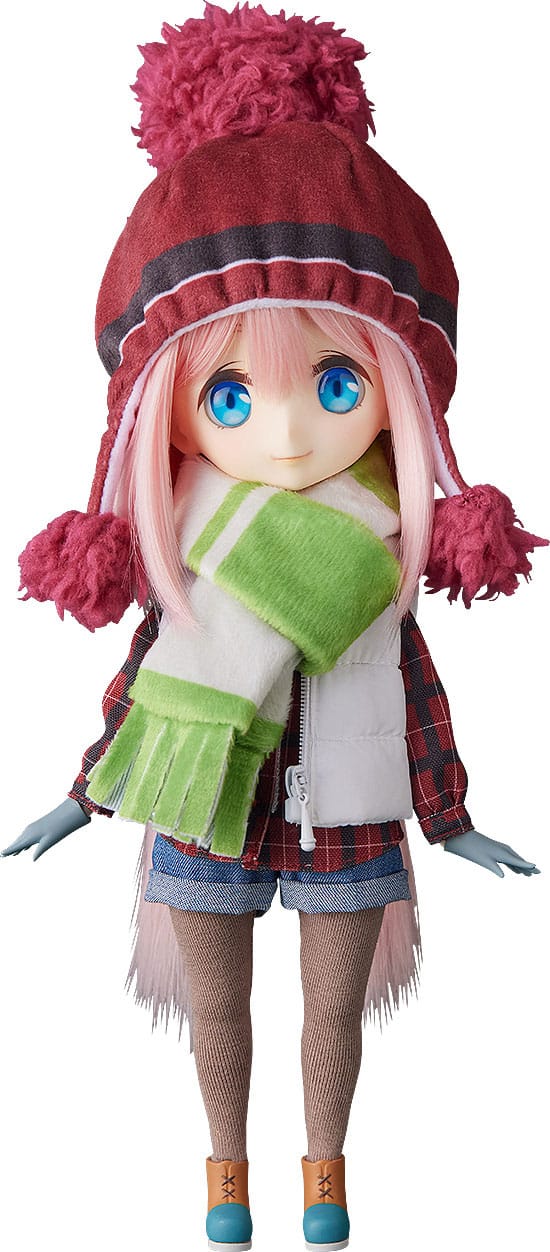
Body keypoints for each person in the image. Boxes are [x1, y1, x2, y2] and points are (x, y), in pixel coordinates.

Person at [3, 6, 544, 1250]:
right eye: (233, 395)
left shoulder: (384, 544)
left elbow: (415, 688)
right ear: (167, 409)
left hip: (352, 810)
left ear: (401, 389)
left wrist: (451, 818)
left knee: (330, 1020)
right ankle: (224, 1173)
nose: (293, 433)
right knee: (218, 1017)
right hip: (202, 805)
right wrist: (87, 794)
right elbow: (142, 679)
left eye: (338, 384)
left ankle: (325, 1173)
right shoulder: (189, 538)